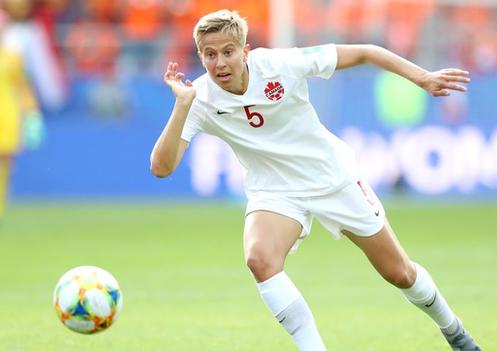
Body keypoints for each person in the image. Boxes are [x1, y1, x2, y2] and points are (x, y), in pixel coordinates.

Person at [151, 9, 480, 351]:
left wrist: (422, 77)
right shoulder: (198, 98)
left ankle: (455, 331)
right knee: (259, 259)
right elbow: (161, 167)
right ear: (200, 56)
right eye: (210, 54)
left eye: (228, 52)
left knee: (400, 273)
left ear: (245, 51)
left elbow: (366, 51)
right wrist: (183, 106)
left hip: (331, 177)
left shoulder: (281, 64)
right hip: (275, 190)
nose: (219, 62)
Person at [0, 8, 45, 227]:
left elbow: (22, 87)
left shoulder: (13, 58)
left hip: (8, 115)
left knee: (4, 164)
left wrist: (32, 113)